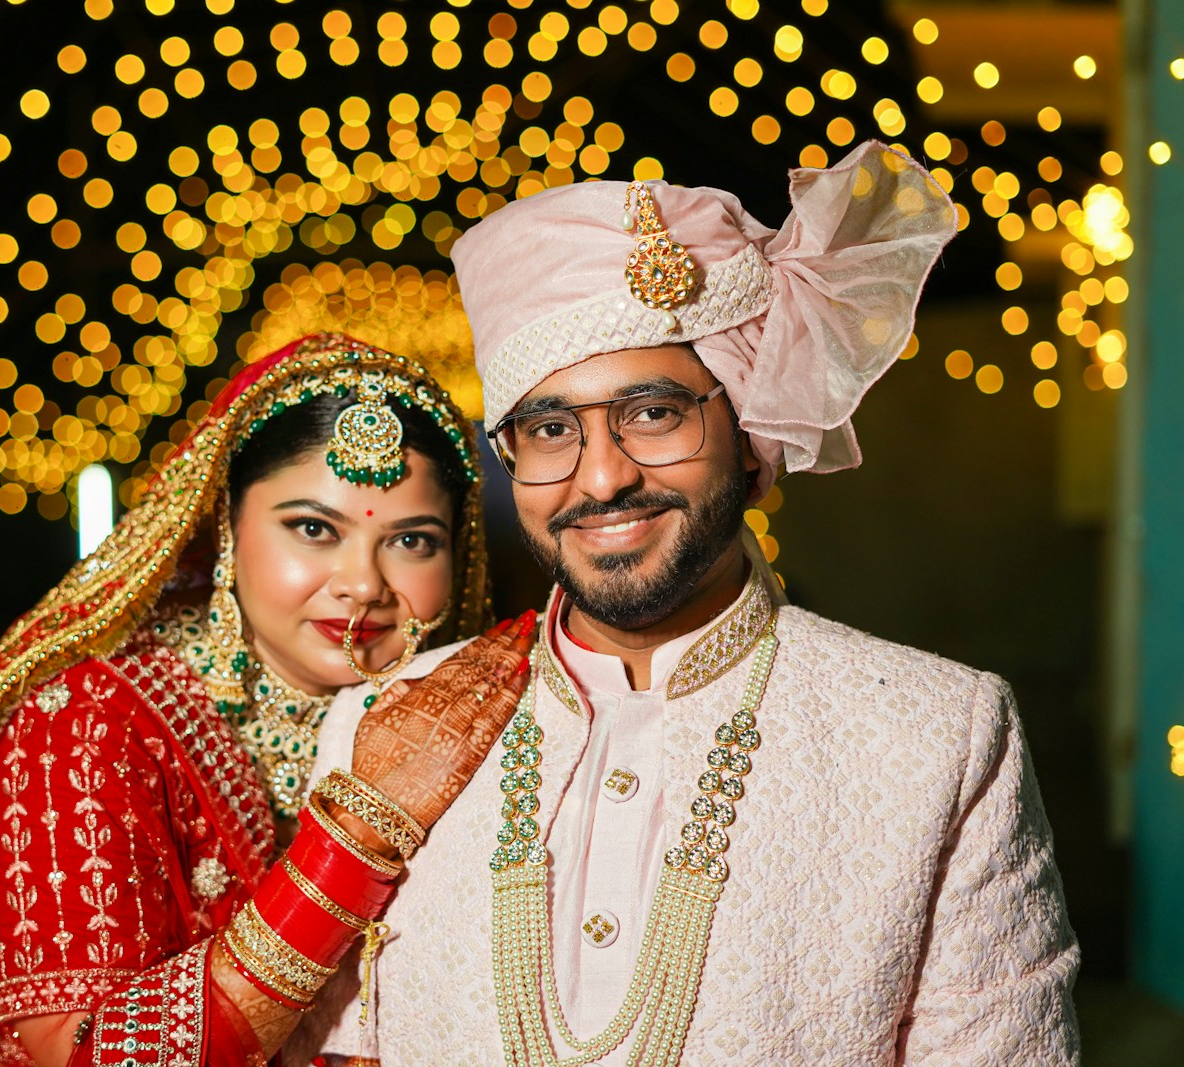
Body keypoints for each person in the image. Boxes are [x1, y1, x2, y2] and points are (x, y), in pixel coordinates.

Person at [293, 142, 1080, 1065]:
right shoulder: (381, 724)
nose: (601, 475)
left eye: (654, 413)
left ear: (750, 435)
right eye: (550, 429)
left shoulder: (939, 737)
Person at [0, 333, 535, 1067]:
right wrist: (359, 833)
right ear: (225, 523)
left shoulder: (470, 714)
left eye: (413, 540)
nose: (363, 583)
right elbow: (95, 1056)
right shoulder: (83, 725)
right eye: (314, 528)